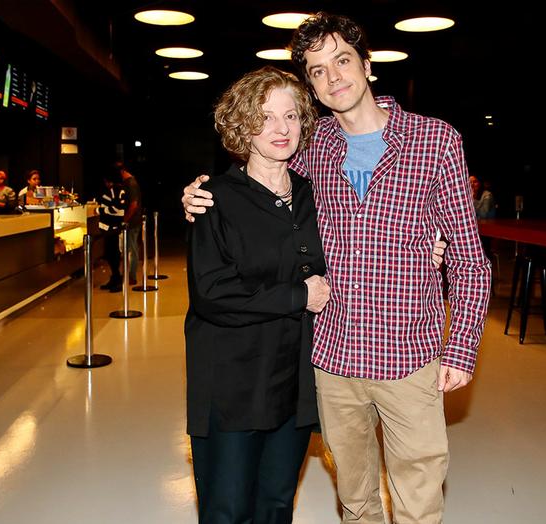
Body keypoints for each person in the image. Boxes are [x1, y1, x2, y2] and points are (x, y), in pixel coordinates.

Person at [183, 13, 491, 523]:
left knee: (419, 499)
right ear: (312, 86)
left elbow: (468, 259)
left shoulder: (435, 141)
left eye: (342, 60)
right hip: (333, 360)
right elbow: (256, 186)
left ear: (367, 65)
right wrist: (196, 198)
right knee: (355, 498)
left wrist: (461, 347)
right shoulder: (312, 147)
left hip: (409, 356)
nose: (334, 77)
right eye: (318, 70)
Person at [186, 66, 330, 523]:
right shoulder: (215, 198)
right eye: (265, 117)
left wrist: (431, 242)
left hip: (295, 380)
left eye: (291, 116)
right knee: (227, 508)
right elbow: (212, 294)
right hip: (233, 382)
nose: (281, 128)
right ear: (241, 125)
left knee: (275, 503)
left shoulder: (315, 193)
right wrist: (297, 296)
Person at [96, 174, 126, 291]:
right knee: (112, 253)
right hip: (114, 226)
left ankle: (116, 279)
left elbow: (117, 209)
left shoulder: (114, 190)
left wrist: (100, 210)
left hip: (112, 227)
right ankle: (115, 278)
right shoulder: (120, 189)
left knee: (112, 253)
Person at [115, 162, 142, 285]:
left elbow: (133, 204)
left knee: (132, 249)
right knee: (130, 248)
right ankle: (129, 275)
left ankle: (132, 275)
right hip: (133, 220)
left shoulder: (131, 183)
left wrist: (125, 219)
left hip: (132, 221)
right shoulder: (130, 182)